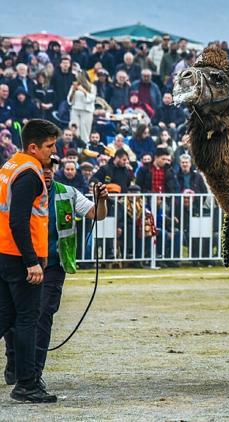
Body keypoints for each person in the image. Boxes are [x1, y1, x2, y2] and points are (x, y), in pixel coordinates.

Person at [4, 155, 108, 392]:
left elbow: (96, 214)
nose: (48, 172)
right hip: (22, 261)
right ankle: (14, 358)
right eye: (43, 167)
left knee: (43, 316)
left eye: (51, 168)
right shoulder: (21, 190)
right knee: (14, 317)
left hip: (53, 264)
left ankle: (33, 374)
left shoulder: (67, 193)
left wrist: (101, 200)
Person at [0, 119, 58, 403]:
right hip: (18, 256)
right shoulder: (30, 173)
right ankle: (26, 384)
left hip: (4, 253)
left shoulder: (12, 165)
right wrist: (31, 261)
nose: (53, 152)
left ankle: (25, 382)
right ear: (33, 147)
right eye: (49, 146)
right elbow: (19, 222)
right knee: (26, 320)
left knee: (5, 317)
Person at [67, 70, 96, 143]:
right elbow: (69, 100)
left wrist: (84, 91)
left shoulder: (92, 87)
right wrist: (74, 90)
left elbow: (92, 98)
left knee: (85, 131)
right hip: (75, 109)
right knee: (74, 129)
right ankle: (75, 145)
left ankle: (85, 147)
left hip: (86, 111)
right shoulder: (74, 86)